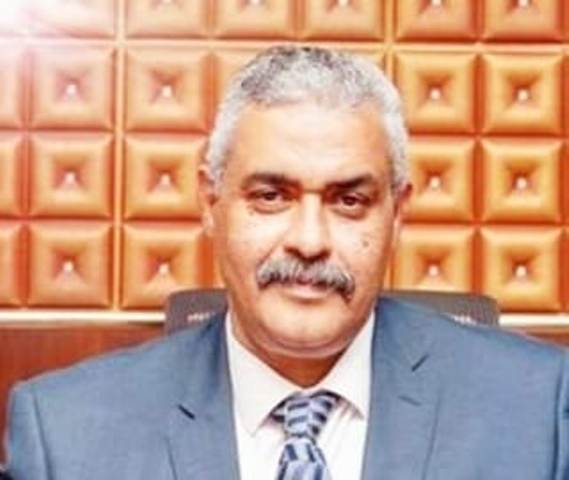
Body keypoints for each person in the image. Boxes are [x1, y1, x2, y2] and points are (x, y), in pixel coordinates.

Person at [4, 45, 568, 480]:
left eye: (350, 201)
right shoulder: (67, 434)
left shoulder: (538, 411)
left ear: (397, 215)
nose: (309, 241)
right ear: (211, 202)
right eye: (271, 196)